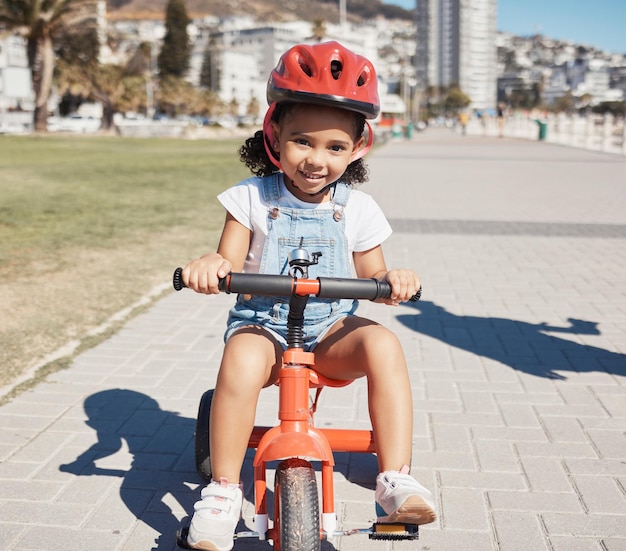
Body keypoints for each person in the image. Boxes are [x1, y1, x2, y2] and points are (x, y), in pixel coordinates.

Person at [180, 41, 437, 551]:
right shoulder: (251, 198)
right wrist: (211, 266)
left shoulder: (358, 209)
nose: (317, 160)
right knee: (239, 356)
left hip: (329, 329)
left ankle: (395, 477)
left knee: (384, 344)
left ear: (358, 146)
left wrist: (394, 283)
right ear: (274, 133)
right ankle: (224, 489)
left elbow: (374, 273)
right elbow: (227, 260)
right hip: (264, 325)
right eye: (303, 142)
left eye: (334, 147)